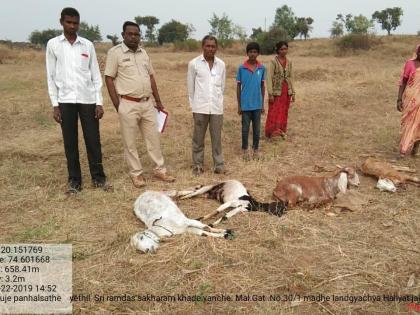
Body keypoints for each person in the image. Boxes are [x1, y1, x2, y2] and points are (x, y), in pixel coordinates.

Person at [46, 7, 111, 194]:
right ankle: (75, 181)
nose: (72, 26)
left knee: (93, 140)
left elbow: (96, 76)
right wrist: (55, 105)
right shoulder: (53, 45)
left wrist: (99, 102)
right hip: (65, 100)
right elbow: (50, 76)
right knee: (70, 142)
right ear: (61, 22)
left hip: (88, 99)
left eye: (75, 23)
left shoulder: (87, 45)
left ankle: (99, 179)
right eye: (69, 22)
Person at [104, 21, 175, 188]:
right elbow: (109, 78)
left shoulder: (144, 53)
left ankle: (160, 170)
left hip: (147, 103)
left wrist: (158, 101)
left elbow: (151, 77)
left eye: (136, 34)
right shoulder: (115, 53)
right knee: (130, 142)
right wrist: (117, 105)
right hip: (128, 103)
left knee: (153, 138)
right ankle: (136, 174)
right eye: (130, 34)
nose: (134, 37)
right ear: (123, 35)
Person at [187, 35, 226, 175]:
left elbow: (222, 87)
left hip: (216, 108)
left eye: (213, 46)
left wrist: (218, 101)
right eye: (208, 46)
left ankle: (219, 165)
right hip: (200, 107)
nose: (210, 48)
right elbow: (190, 89)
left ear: (216, 48)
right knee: (198, 139)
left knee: (216, 139)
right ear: (202, 46)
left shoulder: (221, 65)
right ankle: (197, 165)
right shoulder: (194, 64)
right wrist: (194, 106)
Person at [236, 42, 265, 161]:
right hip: (245, 105)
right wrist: (239, 105)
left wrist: (262, 104)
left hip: (257, 104)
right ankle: (244, 149)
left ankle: (256, 149)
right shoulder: (241, 68)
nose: (253, 54)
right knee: (245, 128)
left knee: (257, 129)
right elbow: (238, 87)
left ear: (258, 53)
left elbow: (263, 86)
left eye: (255, 52)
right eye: (250, 52)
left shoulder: (262, 68)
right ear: (247, 53)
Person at [265, 41, 295, 139]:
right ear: (277, 50)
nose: (284, 51)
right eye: (281, 49)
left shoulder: (289, 62)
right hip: (276, 91)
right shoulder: (273, 62)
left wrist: (293, 92)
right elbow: (269, 77)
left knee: (284, 110)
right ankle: (272, 132)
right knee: (274, 110)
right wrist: (270, 94)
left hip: (286, 91)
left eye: (285, 49)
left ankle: (281, 130)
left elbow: (291, 77)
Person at [397, 43, 420, 157]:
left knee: (419, 124)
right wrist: (399, 99)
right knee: (407, 122)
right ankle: (403, 148)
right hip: (410, 98)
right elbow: (403, 81)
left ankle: (415, 148)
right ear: (417, 52)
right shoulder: (410, 64)